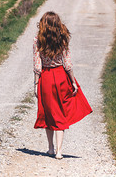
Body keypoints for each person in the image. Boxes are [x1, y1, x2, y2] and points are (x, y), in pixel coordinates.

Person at [33, 11, 92, 159]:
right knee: (60, 112)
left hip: (46, 77)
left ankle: (51, 148)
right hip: (61, 77)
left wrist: (35, 84)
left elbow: (37, 65)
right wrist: (73, 81)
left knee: (48, 113)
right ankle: (59, 151)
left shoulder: (37, 40)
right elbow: (67, 63)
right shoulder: (62, 40)